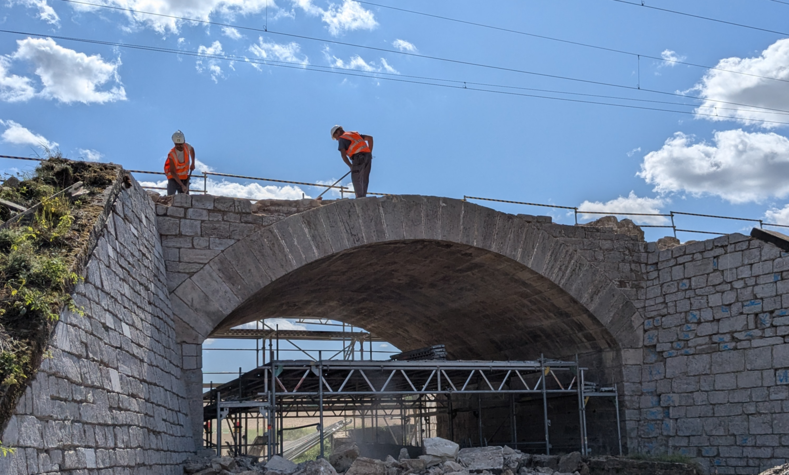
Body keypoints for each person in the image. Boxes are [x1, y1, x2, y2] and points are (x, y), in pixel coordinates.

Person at [331, 125, 373, 198]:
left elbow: (343, 156)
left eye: (336, 137)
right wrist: (369, 152)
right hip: (367, 157)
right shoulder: (353, 134)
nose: (337, 139)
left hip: (358, 157)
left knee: (356, 177)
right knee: (364, 177)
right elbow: (370, 138)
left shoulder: (342, 139)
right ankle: (363, 196)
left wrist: (351, 166)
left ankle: (359, 197)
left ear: (338, 132)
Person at [164, 130, 196, 195]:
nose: (179, 146)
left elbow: (192, 150)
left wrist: (193, 163)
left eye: (181, 144)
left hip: (184, 178)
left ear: (184, 142)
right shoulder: (172, 154)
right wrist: (181, 185)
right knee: (171, 197)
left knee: (185, 198)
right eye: (177, 145)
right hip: (173, 178)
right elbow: (172, 172)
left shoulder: (187, 147)